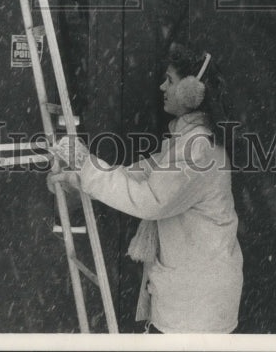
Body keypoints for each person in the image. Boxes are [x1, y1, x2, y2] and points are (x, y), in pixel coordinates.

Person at [49, 42, 243, 333]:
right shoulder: (186, 141)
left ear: (192, 91)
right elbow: (139, 175)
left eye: (170, 80)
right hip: (195, 298)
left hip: (197, 306)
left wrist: (86, 165)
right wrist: (82, 175)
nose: (162, 86)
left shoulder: (197, 148)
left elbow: (150, 199)